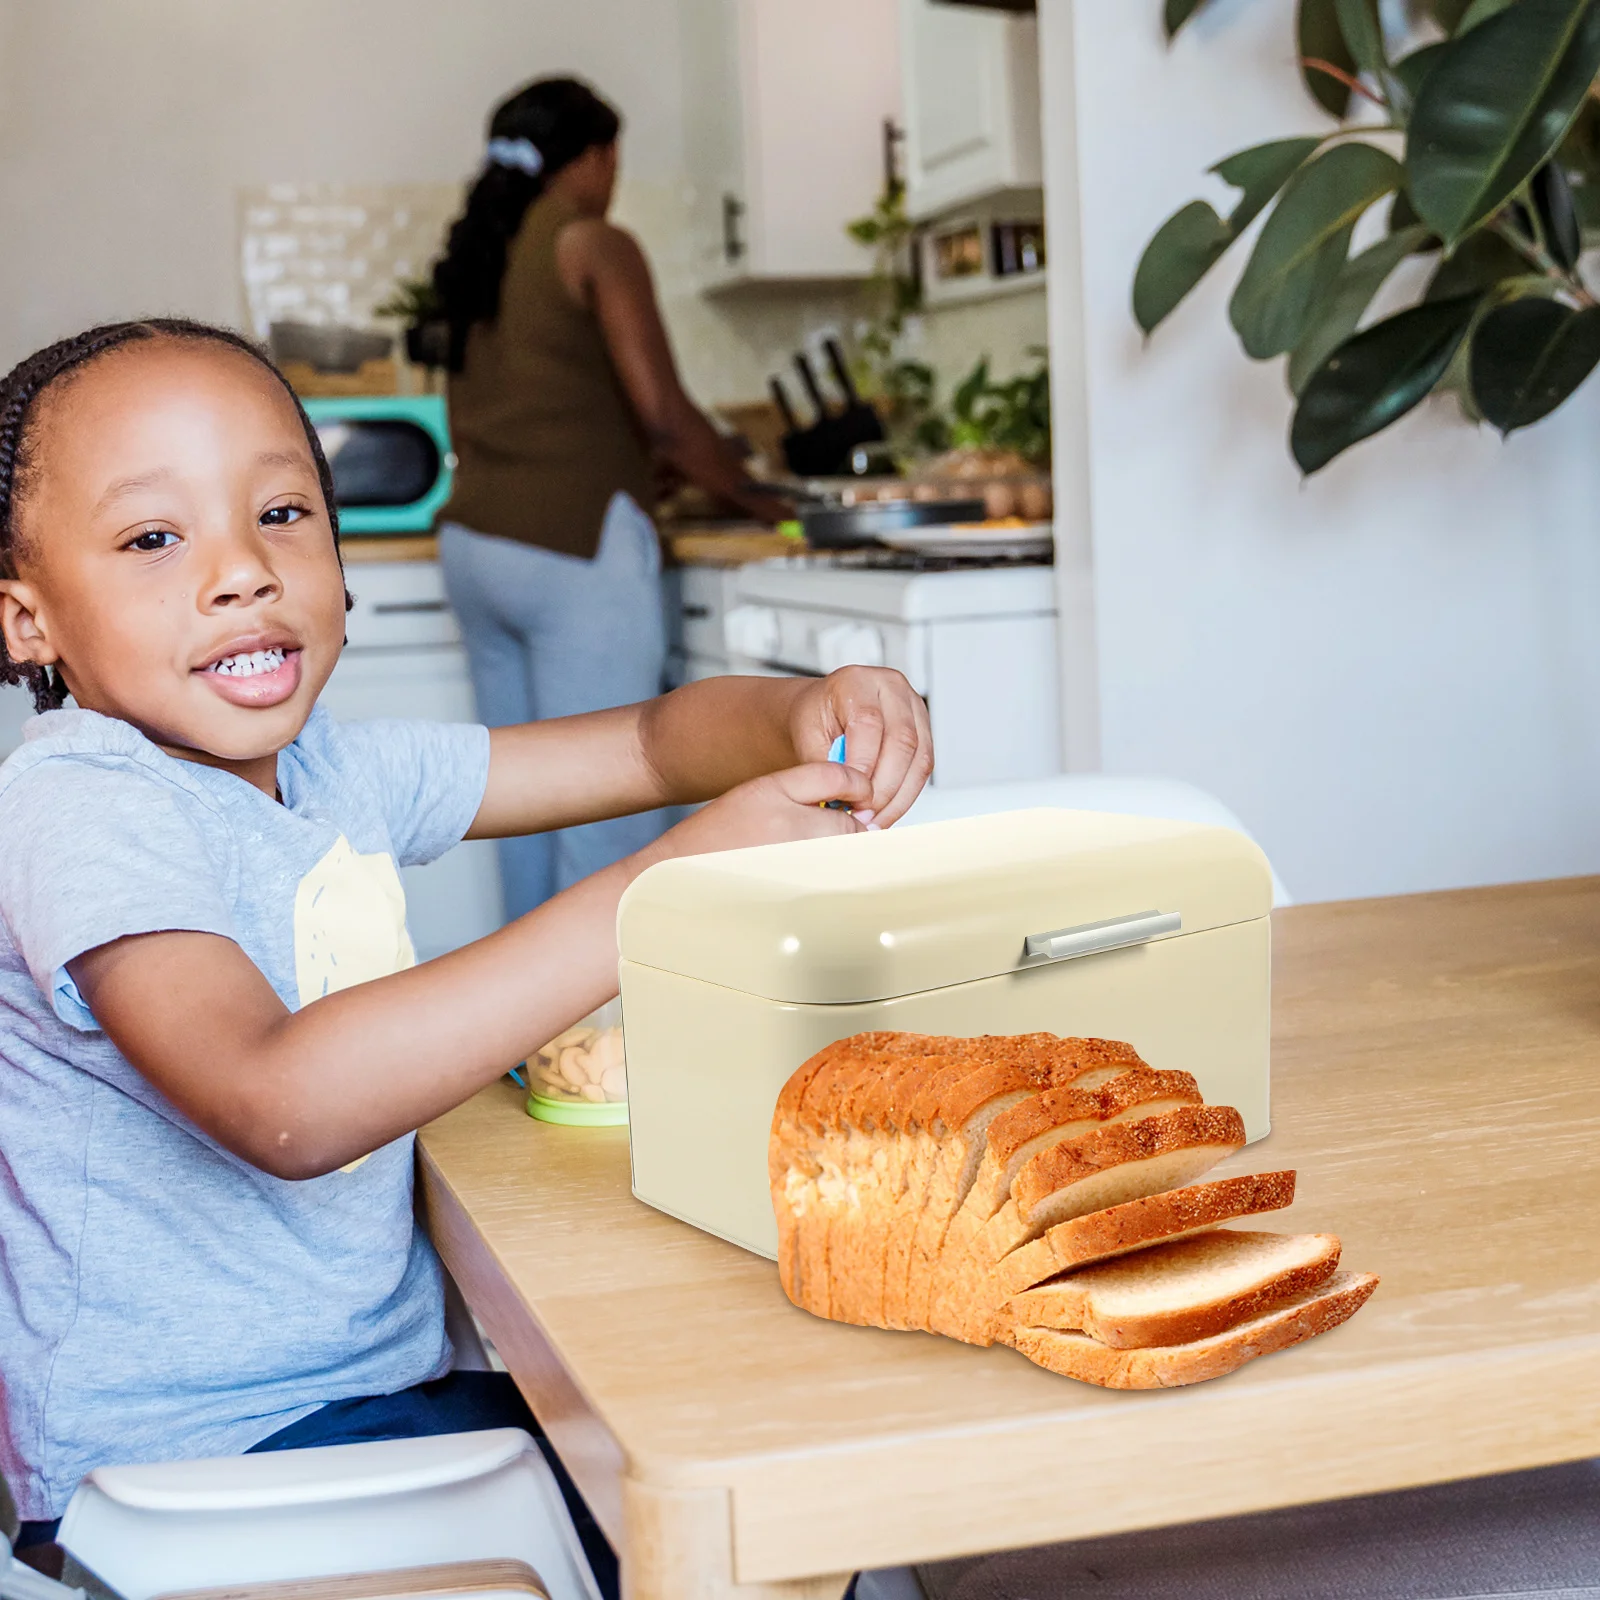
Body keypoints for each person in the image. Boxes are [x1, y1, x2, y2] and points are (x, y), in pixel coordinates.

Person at [0, 319, 932, 1584]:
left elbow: (657, 743)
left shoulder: (336, 768)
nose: (240, 572)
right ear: (28, 619)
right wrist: (665, 883)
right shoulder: (86, 798)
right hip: (195, 1469)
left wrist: (804, 707)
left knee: (775, 1463)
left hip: (364, 1406)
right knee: (764, 1512)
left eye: (282, 512)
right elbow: (281, 1099)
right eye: (154, 538)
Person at [430, 77, 790, 922]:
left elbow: (538, 408)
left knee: (510, 810)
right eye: (612, 157)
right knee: (610, 808)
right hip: (573, 550)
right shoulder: (593, 243)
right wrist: (764, 500)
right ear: (590, 158)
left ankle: (522, 1047)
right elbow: (666, 419)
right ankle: (605, 1044)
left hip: (477, 548)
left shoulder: (480, 253)